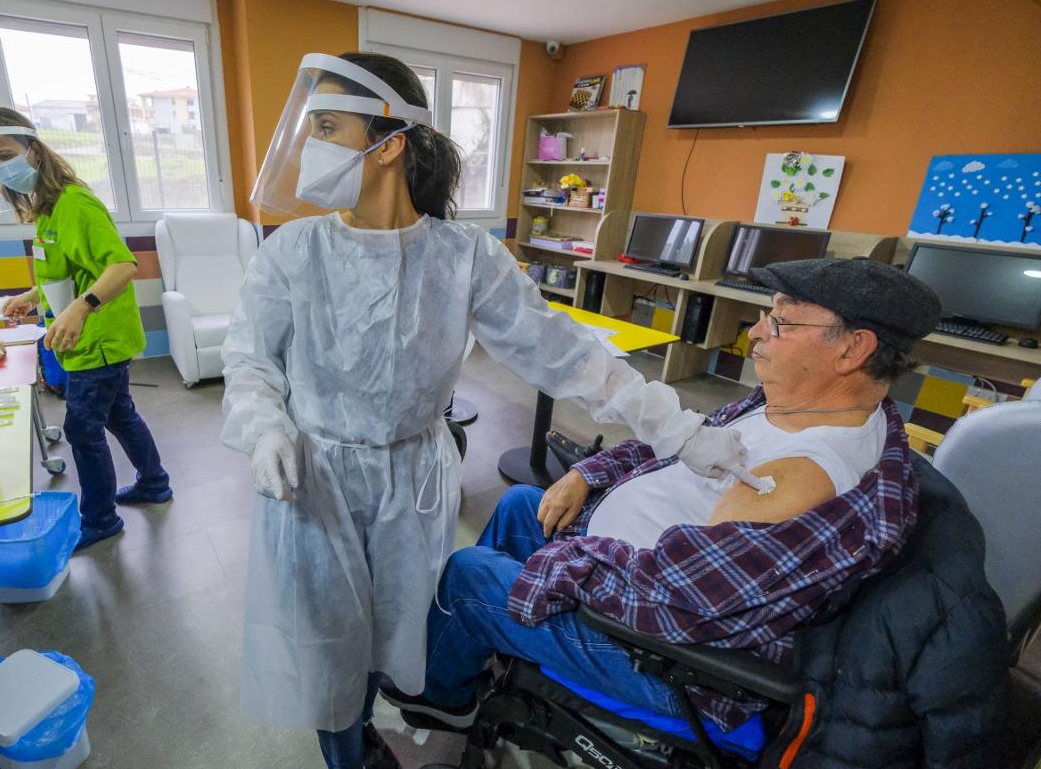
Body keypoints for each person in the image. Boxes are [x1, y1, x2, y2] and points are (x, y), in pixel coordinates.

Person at [220, 53, 746, 769]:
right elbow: (248, 362)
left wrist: (679, 430)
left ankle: (395, 715)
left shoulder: (464, 258)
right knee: (327, 640)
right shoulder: (293, 254)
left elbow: (569, 356)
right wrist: (264, 426)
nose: (315, 148)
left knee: (400, 622)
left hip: (413, 478)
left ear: (390, 140)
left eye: (330, 128)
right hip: (315, 478)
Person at [383, 257, 944, 738]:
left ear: (853, 349)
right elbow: (679, 448)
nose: (755, 332)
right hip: (632, 575)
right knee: (521, 504)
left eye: (779, 320)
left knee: (469, 573)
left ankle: (443, 701)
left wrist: (567, 564)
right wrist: (588, 473)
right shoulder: (785, 404)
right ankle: (478, 646)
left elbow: (681, 604)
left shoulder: (808, 476)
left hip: (665, 657)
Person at [0, 108, 172, 552]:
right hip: (86, 339)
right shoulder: (47, 208)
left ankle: (99, 520)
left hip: (99, 338)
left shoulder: (76, 203)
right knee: (119, 413)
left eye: (4, 154)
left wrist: (81, 307)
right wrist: (31, 296)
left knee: (82, 429)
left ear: (34, 150)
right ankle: (154, 483)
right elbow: (62, 273)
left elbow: (122, 265)